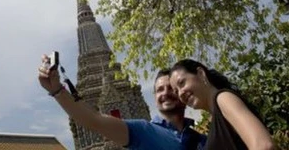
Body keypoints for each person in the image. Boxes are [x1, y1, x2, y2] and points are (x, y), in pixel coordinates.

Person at [38, 54, 206, 150]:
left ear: (182, 93)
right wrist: (58, 90)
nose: (165, 93)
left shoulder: (203, 140)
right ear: (154, 97)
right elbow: (94, 120)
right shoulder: (144, 130)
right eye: (160, 89)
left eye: (171, 88)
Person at [169, 59, 275, 150]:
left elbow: (263, 145)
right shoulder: (216, 116)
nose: (181, 93)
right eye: (176, 92)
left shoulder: (223, 98)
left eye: (182, 83)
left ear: (201, 74)